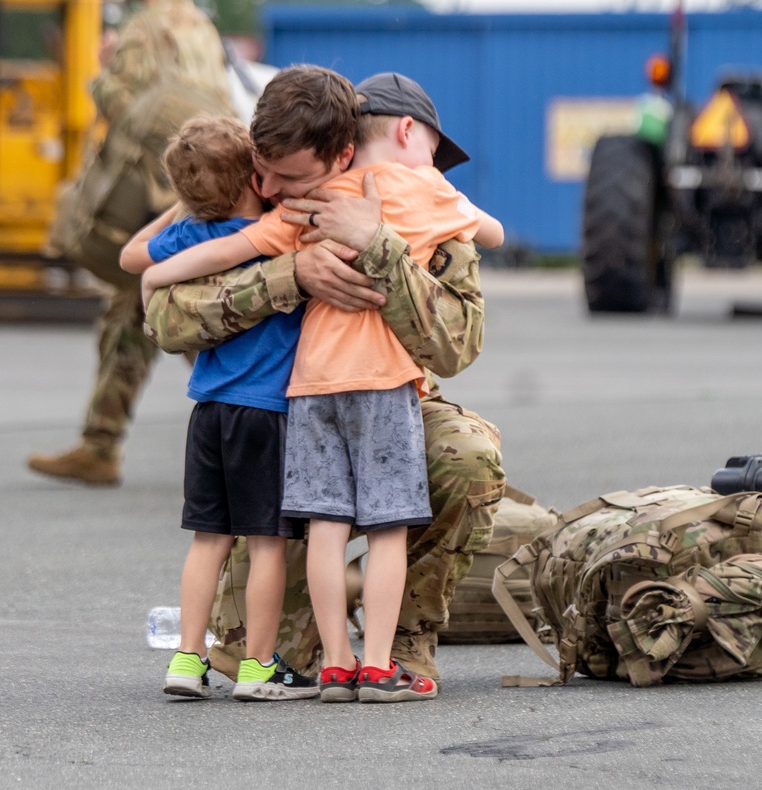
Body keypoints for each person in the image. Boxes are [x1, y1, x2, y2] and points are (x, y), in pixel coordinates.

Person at [135, 69, 504, 701]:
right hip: (271, 412)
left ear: (341, 153)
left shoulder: (412, 201)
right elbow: (166, 314)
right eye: (263, 168)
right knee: (267, 634)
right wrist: (289, 276)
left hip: (386, 394)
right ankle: (304, 637)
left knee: (465, 458)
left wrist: (378, 246)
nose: (270, 187)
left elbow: (455, 345)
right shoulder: (251, 173)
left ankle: (404, 639)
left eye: (290, 177)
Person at [119, 116, 317, 701]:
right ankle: (258, 669)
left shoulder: (189, 237)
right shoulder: (276, 231)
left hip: (208, 411)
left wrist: (181, 206)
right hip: (266, 412)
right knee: (266, 546)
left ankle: (187, 658)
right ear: (257, 180)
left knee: (207, 540)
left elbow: (133, 256)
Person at [27, 0, 233, 486]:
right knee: (137, 312)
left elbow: (130, 111)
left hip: (153, 190)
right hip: (197, 186)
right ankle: (101, 442)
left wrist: (102, 75)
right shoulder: (201, 27)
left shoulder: (143, 28)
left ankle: (255, 436)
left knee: (176, 313)